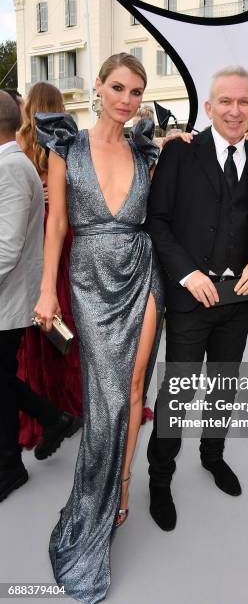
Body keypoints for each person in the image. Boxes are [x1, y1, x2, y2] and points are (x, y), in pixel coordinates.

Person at [33, 53, 164, 603]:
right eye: (118, 87)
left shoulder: (144, 148)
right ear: (98, 87)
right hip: (89, 279)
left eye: (136, 91)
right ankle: (90, 509)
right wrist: (45, 289)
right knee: (105, 397)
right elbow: (59, 222)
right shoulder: (67, 144)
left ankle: (123, 490)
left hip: (143, 270)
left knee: (134, 390)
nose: (127, 99)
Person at [146, 66, 248, 531]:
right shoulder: (181, 154)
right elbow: (157, 220)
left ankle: (213, 456)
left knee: (223, 385)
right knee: (177, 392)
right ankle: (160, 477)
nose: (235, 110)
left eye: (243, 102)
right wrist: (186, 273)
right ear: (210, 106)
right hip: (189, 300)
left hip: (237, 302)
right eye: (226, 101)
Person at [15, 82, 83, 450]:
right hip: (63, 232)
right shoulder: (69, 143)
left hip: (33, 236)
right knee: (63, 314)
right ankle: (70, 395)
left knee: (37, 320)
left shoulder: (19, 148)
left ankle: (44, 401)